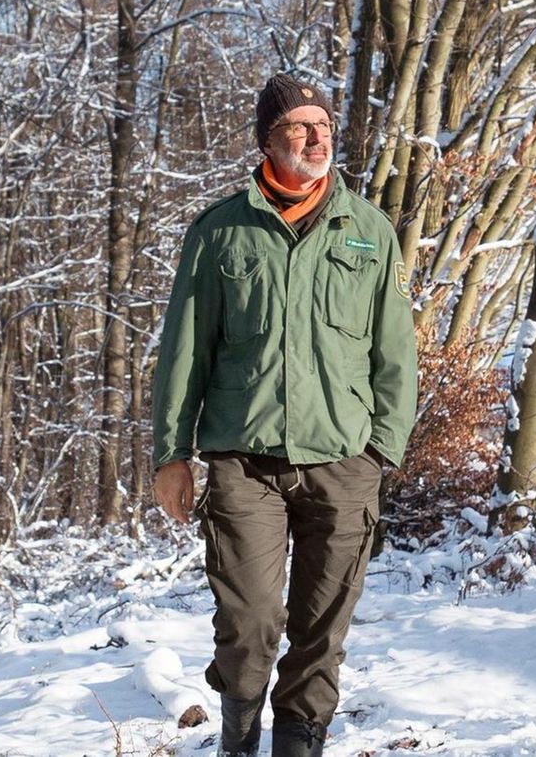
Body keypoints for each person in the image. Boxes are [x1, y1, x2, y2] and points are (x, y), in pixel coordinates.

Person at [150, 72, 417, 757]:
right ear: (268, 139)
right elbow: (185, 348)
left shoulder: (368, 232)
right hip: (244, 462)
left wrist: (381, 450)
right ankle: (238, 741)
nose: (316, 137)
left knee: (321, 630)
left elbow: (394, 350)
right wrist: (170, 454)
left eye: (323, 126)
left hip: (343, 460)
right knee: (249, 622)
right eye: (299, 127)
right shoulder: (220, 232)